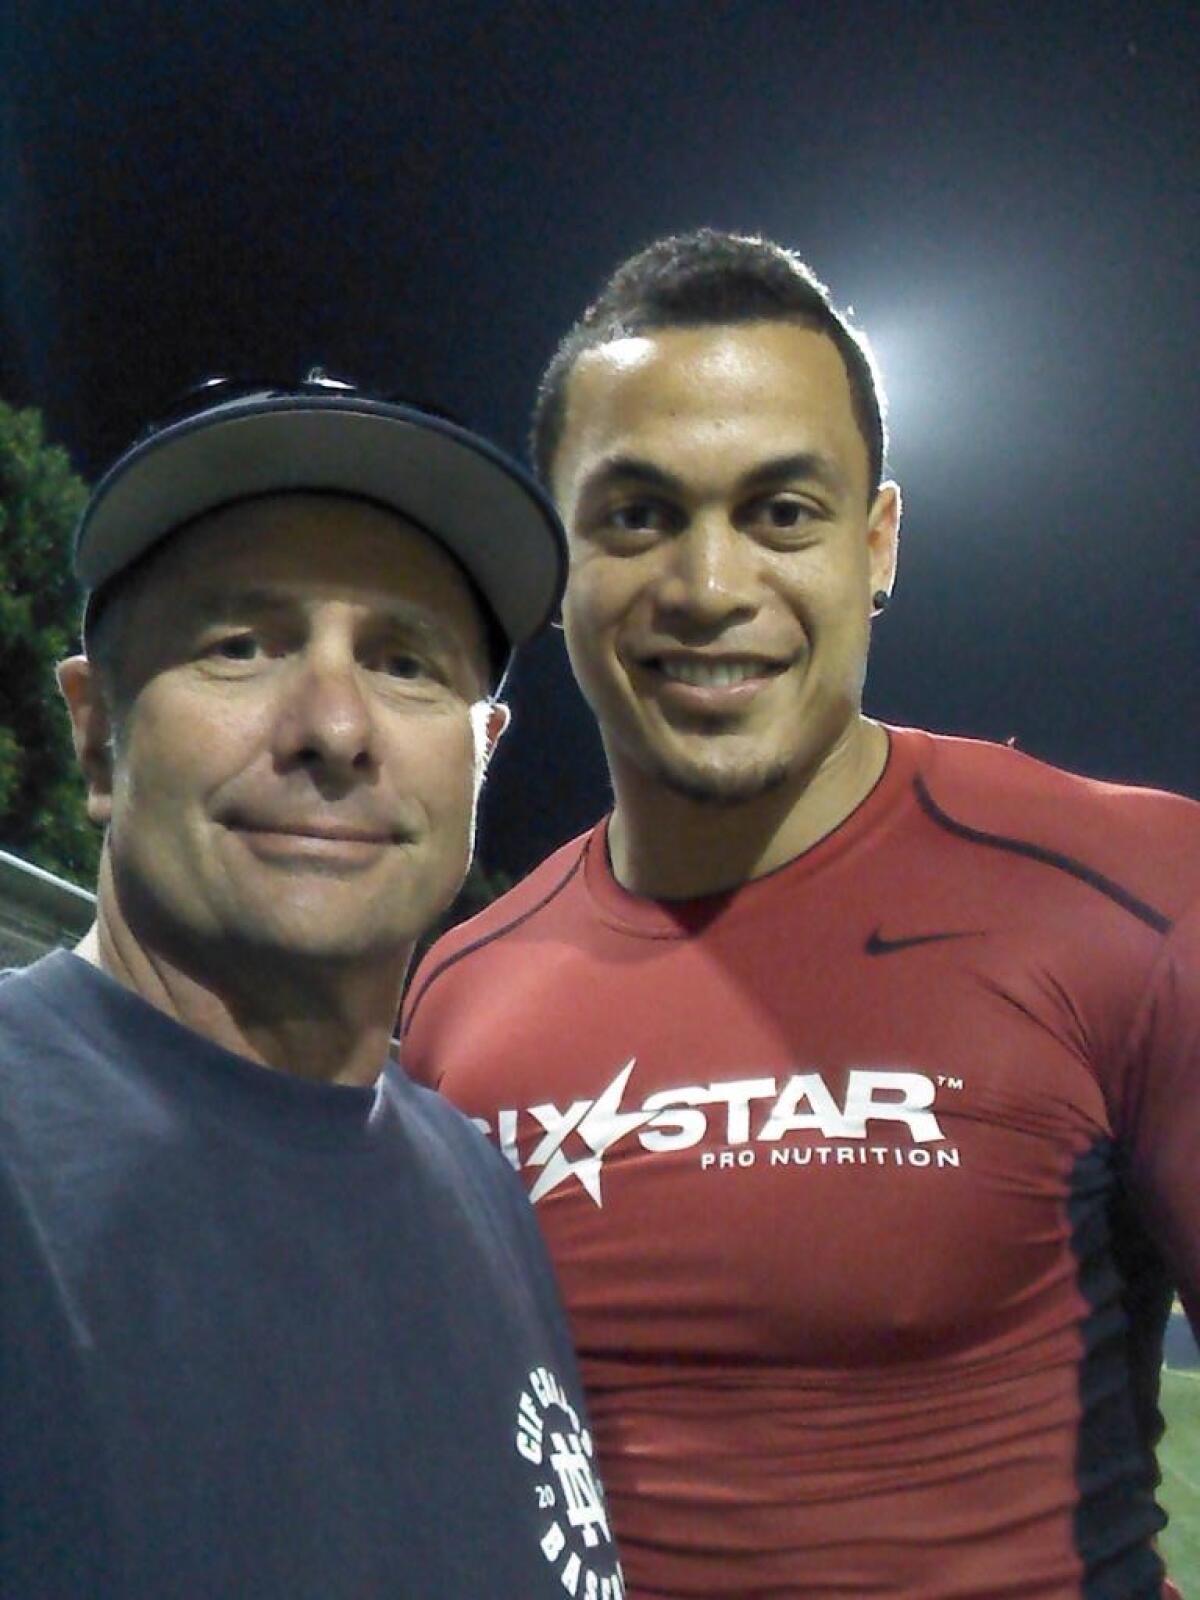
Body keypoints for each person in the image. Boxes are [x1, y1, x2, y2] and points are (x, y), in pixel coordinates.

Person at [400, 233, 1200, 1598]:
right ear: (559, 561)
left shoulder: (1135, 893)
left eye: (782, 512)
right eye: (638, 515)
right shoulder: (456, 998)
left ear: (877, 544)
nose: (710, 589)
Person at [0, 375, 624, 1599]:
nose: (334, 724)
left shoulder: (481, 1183)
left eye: (404, 662)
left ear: (480, 759)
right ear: (95, 737)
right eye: (241, 645)